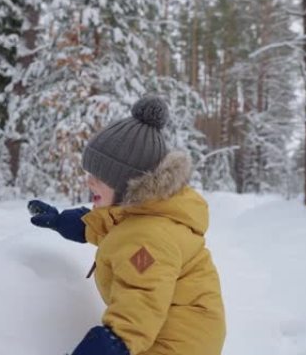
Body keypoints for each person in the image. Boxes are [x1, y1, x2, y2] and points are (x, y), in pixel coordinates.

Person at [29, 97, 225, 355]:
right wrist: (66, 222)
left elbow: (143, 295)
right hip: (178, 332)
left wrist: (115, 340)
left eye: (98, 177)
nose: (89, 182)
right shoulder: (148, 215)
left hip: (176, 345)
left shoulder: (150, 236)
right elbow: (117, 228)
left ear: (127, 184)